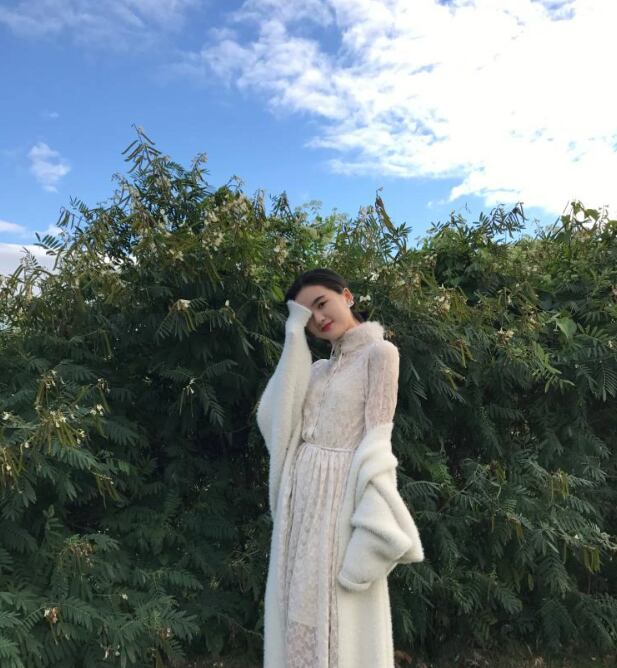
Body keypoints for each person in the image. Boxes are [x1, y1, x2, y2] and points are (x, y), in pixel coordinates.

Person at [256, 268, 424, 668]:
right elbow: (273, 418)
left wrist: (371, 528)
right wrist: (293, 336)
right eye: (308, 316)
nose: (318, 319)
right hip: (301, 505)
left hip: (340, 502)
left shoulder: (381, 354)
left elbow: (377, 441)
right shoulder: (316, 369)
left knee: (335, 612)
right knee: (296, 604)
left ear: (346, 296)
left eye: (322, 304)